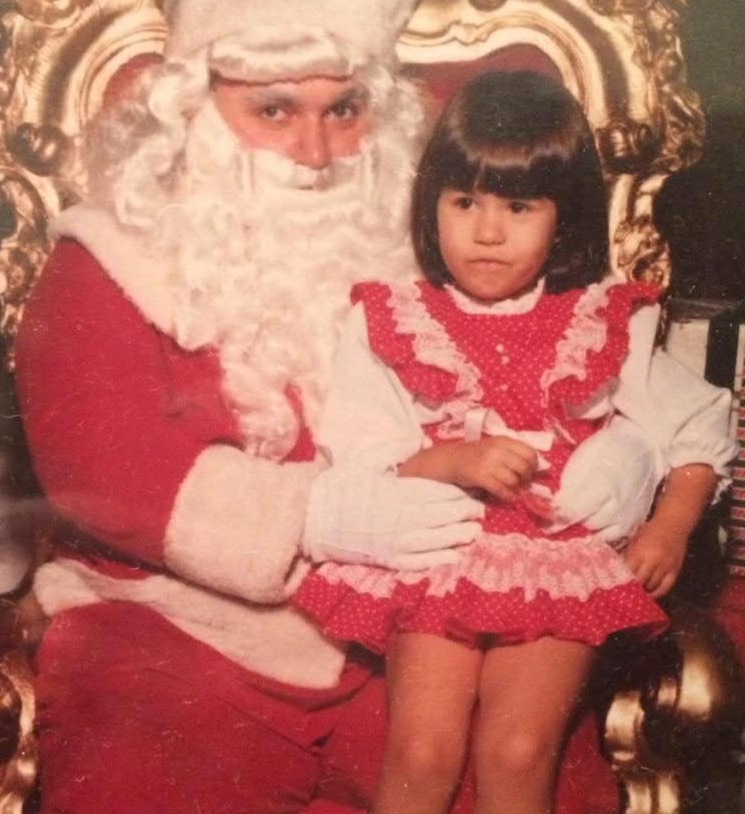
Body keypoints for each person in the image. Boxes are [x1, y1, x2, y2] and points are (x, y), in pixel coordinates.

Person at [14, 0, 675, 813]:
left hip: (411, 628)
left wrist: (630, 455)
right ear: (195, 112)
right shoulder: (107, 257)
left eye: (346, 111)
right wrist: (318, 514)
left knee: (532, 778)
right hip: (178, 627)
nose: (317, 153)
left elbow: (564, 359)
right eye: (275, 111)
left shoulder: (445, 242)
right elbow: (97, 469)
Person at [293, 70, 737, 814]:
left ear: (561, 219)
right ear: (430, 202)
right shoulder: (396, 318)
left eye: (519, 206)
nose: (488, 231)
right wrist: (452, 461)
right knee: (423, 750)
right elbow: (362, 452)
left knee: (516, 750)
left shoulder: (600, 320)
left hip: (559, 562)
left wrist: (672, 522)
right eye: (464, 202)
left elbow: (699, 423)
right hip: (440, 554)